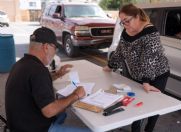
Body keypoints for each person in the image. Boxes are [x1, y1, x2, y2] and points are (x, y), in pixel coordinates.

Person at [5, 27, 91, 132]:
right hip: (35, 128)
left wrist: (57, 74)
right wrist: (75, 95)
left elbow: (34, 82)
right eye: (55, 48)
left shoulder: (21, 64)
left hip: (19, 124)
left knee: (62, 112)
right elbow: (49, 111)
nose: (55, 52)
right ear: (46, 47)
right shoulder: (38, 70)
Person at [103, 4, 170, 132]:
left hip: (157, 75)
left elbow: (149, 58)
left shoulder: (151, 32)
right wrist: (110, 66)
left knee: (153, 106)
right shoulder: (126, 31)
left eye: (127, 21)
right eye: (122, 22)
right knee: (137, 105)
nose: (125, 24)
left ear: (137, 16)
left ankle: (149, 129)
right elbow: (119, 52)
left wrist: (146, 81)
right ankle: (136, 129)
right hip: (138, 75)